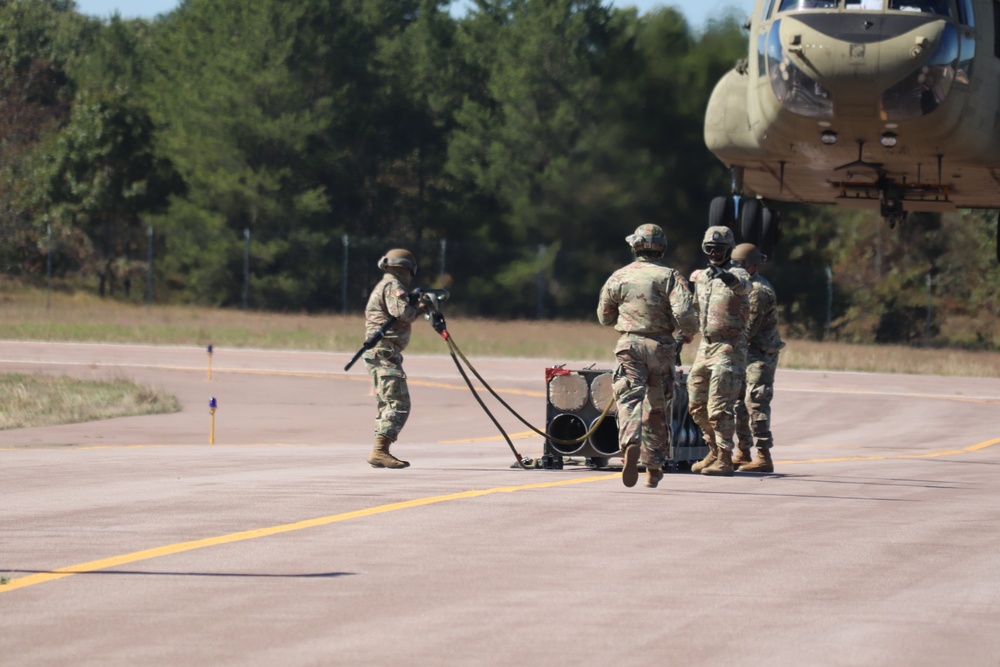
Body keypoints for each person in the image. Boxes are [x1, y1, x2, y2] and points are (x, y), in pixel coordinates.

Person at [597, 224, 698, 489]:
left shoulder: (619, 276)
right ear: (662, 248)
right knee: (657, 405)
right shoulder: (670, 276)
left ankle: (630, 443)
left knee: (629, 397)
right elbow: (686, 314)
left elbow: (604, 317)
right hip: (661, 347)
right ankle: (653, 466)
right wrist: (687, 332)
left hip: (629, 344)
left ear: (634, 247)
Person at [687, 226, 752, 477]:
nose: (714, 253)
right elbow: (694, 309)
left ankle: (725, 458)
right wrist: (683, 333)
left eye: (720, 249)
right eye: (709, 249)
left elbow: (743, 287)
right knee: (696, 403)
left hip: (729, 346)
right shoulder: (702, 277)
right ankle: (713, 449)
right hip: (706, 344)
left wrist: (724, 275)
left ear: (729, 250)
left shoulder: (738, 274)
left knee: (720, 406)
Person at [362, 248, 425, 469]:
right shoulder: (393, 286)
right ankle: (380, 451)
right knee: (398, 403)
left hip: (383, 352)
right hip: (384, 351)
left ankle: (381, 449)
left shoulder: (387, 284)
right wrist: (420, 307)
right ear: (407, 269)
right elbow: (403, 313)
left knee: (389, 402)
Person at [731, 243, 784, 473]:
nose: (736, 269)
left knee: (756, 402)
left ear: (751, 265)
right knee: (737, 404)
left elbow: (749, 328)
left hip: (760, 354)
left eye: (740, 264)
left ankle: (764, 456)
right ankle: (743, 452)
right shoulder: (742, 286)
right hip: (744, 352)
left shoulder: (758, 291)